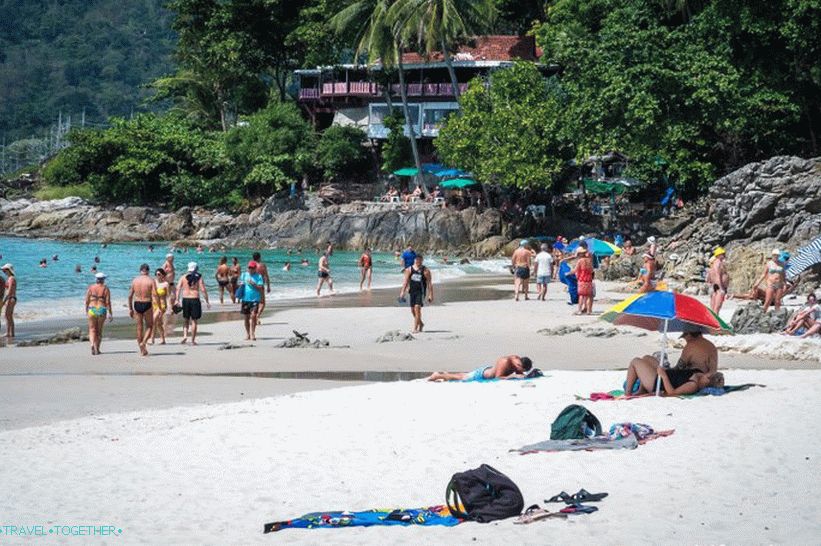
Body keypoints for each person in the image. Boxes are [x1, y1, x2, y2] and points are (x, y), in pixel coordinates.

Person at [625, 326, 719, 396]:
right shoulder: (711, 347)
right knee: (646, 358)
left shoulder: (691, 346)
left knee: (635, 361)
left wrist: (664, 373)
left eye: (685, 337)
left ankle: (627, 393)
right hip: (675, 378)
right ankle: (642, 390)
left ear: (689, 334)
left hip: (664, 383)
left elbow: (678, 367)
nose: (685, 340)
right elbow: (713, 370)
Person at [175, 262, 210, 345]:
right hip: (194, 299)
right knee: (194, 320)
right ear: (195, 268)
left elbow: (178, 288)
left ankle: (184, 336)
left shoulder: (183, 277)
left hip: (185, 299)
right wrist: (207, 301)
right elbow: (203, 289)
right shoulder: (199, 277)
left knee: (186, 319)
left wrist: (177, 299)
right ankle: (193, 340)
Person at [427, 355, 533, 382]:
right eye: (522, 370)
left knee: (462, 376)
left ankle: (447, 374)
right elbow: (498, 377)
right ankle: (438, 375)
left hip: (486, 371)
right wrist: (513, 376)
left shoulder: (517, 361)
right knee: (463, 378)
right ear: (519, 365)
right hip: (482, 374)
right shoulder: (505, 362)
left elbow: (520, 372)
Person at [399, 254, 433, 333]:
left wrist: (431, 294)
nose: (418, 261)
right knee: (412, 310)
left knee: (417, 308)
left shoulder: (426, 271)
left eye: (420, 260)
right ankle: (420, 323)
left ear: (422, 260)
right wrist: (402, 292)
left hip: (421, 292)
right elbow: (405, 282)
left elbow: (429, 283)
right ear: (414, 260)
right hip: (412, 292)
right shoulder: (409, 270)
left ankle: (415, 328)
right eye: (417, 260)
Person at [128, 263, 156, 356]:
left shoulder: (135, 280)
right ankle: (143, 342)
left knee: (139, 328)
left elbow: (130, 296)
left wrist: (130, 309)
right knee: (150, 326)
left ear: (140, 270)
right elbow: (155, 295)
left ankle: (142, 350)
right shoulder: (151, 280)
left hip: (137, 303)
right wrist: (158, 306)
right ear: (148, 271)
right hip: (147, 303)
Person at [85, 272, 112, 355]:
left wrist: (86, 310)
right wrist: (110, 313)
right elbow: (108, 302)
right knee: (99, 331)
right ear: (103, 280)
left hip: (92, 309)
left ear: (96, 279)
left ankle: (92, 344)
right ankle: (97, 349)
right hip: (101, 309)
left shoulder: (91, 287)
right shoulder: (105, 288)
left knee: (92, 329)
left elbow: (87, 300)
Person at [239, 261, 265, 341]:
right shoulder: (244, 275)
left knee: (253, 315)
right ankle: (248, 334)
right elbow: (240, 285)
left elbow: (260, 288)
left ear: (255, 269)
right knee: (246, 317)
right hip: (245, 299)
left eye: (252, 268)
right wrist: (240, 286)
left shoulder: (259, 276)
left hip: (255, 299)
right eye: (249, 267)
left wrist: (254, 284)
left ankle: (253, 333)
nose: (250, 269)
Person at [707, 247, 730, 314]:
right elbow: (717, 275)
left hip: (715, 286)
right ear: (719, 255)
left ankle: (713, 320)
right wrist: (721, 288)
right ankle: (715, 321)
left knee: (714, 306)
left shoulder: (713, 263)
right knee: (717, 306)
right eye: (723, 254)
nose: (724, 255)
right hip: (719, 286)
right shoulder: (718, 263)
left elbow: (709, 277)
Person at [573, 244, 594, 314]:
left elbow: (575, 270)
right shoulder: (589, 261)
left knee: (581, 296)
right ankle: (588, 311)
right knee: (588, 296)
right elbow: (591, 270)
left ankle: (579, 310)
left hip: (582, 280)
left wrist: (568, 273)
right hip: (589, 280)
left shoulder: (580, 261)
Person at [151, 268, 170, 345]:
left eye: (159, 274)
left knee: (153, 320)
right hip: (153, 305)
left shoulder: (165, 284)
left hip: (162, 305)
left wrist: (170, 306)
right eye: (156, 274)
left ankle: (151, 338)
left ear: (162, 275)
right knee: (158, 323)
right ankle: (163, 340)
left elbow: (168, 295)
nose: (157, 275)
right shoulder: (153, 282)